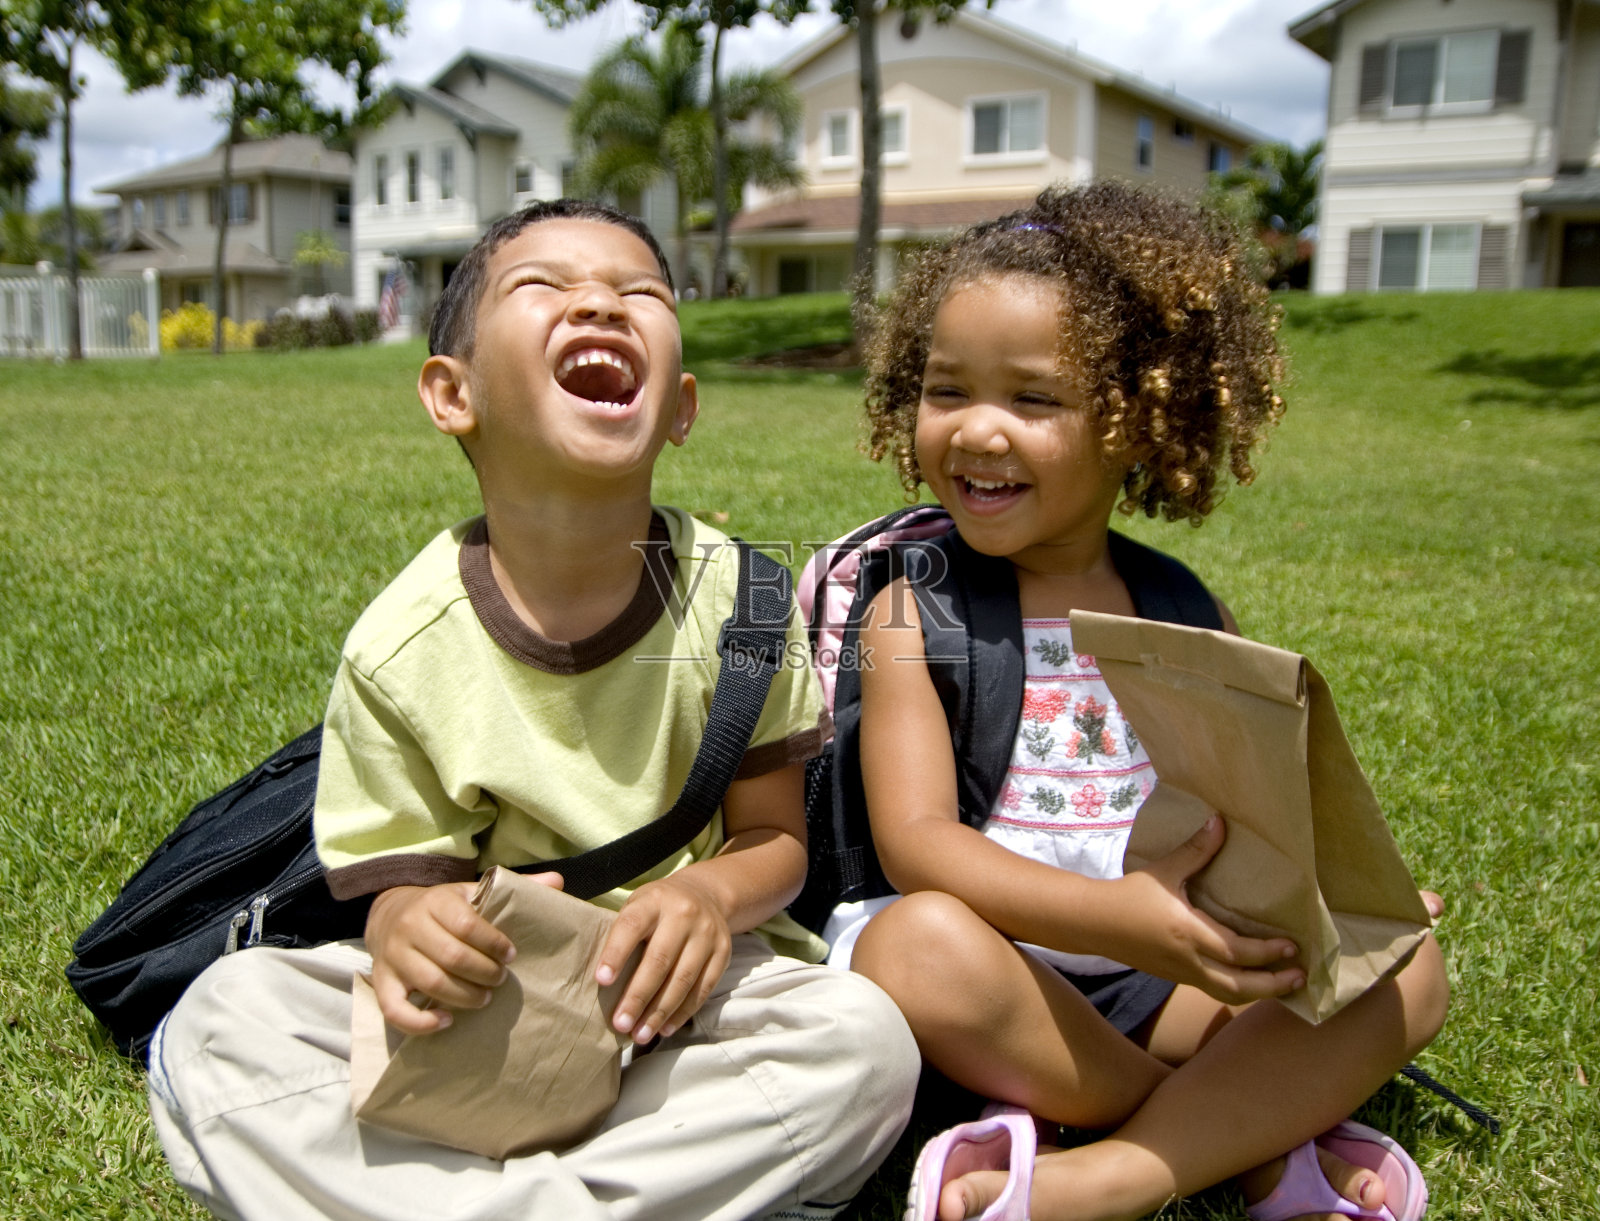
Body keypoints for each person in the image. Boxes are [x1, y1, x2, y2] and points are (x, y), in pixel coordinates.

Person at [145, 198, 920, 1221]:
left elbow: (775, 840)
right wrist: (411, 924)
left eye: (641, 292)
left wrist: (707, 901)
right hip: (485, 1020)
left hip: (679, 1010)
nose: (600, 301)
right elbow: (400, 892)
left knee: (861, 1042)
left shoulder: (748, 604)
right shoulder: (400, 645)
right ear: (450, 393)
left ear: (680, 408)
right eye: (544, 288)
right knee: (219, 1024)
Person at [841, 181, 1451, 1221]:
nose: (979, 431)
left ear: (1140, 419)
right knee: (915, 943)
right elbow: (917, 848)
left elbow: (1239, 811)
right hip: (1002, 978)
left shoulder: (1183, 607)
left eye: (1033, 401)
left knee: (1412, 970)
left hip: (1165, 975)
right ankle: (1226, 1134)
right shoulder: (911, 608)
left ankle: (1096, 1179)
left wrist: (1319, 903)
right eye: (948, 391)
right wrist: (1120, 922)